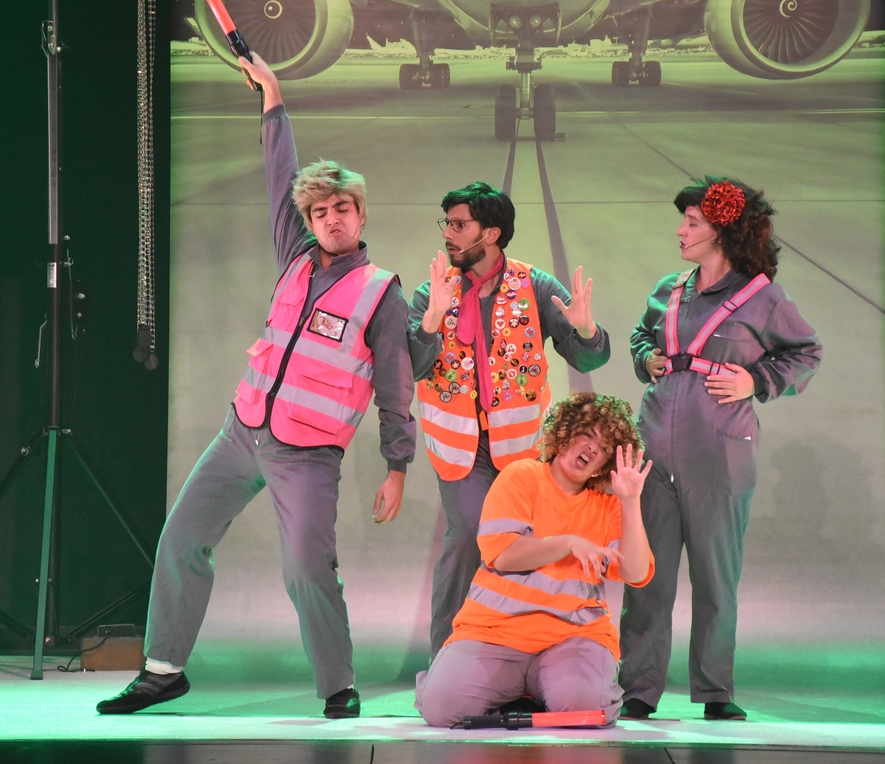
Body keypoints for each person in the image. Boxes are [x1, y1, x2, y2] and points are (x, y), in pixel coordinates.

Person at [96, 55, 416, 718]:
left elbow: (394, 387)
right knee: (180, 539)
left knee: (306, 570)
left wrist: (397, 466)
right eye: (320, 210)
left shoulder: (380, 292)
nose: (331, 218)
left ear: (361, 215)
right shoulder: (294, 258)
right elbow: (280, 173)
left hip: (308, 454)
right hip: (241, 433)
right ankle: (162, 671)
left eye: (343, 208)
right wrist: (272, 96)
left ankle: (337, 684)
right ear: (309, 219)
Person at [618, 177, 822, 721]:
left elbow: (806, 352)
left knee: (715, 575)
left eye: (692, 223)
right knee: (646, 575)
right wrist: (646, 358)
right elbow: (641, 336)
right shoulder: (669, 289)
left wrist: (756, 381)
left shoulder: (763, 297)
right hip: (653, 448)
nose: (680, 231)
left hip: (720, 453)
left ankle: (714, 691)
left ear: (724, 233)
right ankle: (637, 688)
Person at [408, 181, 612, 658]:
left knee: (528, 544)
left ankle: (523, 651)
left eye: (459, 225)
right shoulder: (431, 291)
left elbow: (587, 359)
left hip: (522, 448)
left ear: (491, 233)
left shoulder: (534, 285)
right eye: (447, 223)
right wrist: (431, 321)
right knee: (469, 539)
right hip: (461, 447)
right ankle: (449, 654)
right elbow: (411, 367)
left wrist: (586, 330)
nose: (448, 234)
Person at [415, 392, 654, 727]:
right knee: (442, 710)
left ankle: (543, 692)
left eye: (603, 448)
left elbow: (636, 573)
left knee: (585, 710)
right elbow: (503, 555)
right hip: (494, 631)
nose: (591, 449)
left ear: (606, 463)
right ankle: (515, 694)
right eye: (587, 434)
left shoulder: (608, 506)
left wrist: (630, 502)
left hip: (574, 636)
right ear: (566, 432)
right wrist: (567, 543)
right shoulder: (521, 475)